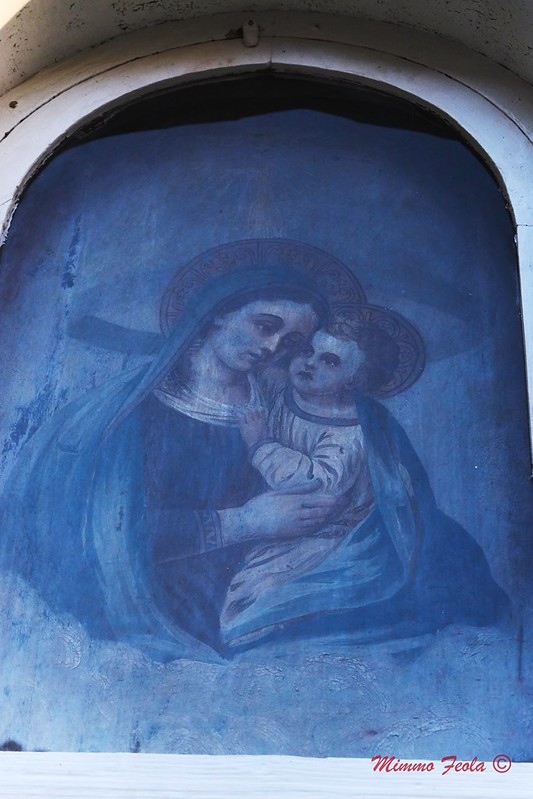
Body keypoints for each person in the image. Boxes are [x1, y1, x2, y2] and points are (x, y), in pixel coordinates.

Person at [221, 318, 380, 641]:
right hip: (274, 516)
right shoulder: (279, 388)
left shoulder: (350, 434)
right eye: (308, 350)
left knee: (258, 591)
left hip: (321, 534)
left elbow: (318, 482)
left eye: (330, 361)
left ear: (351, 379)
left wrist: (261, 445)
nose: (310, 363)